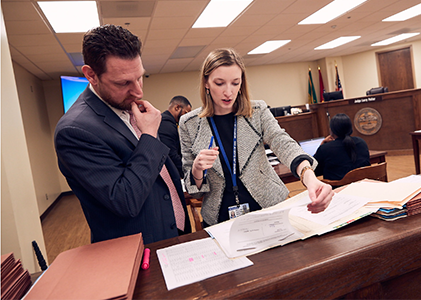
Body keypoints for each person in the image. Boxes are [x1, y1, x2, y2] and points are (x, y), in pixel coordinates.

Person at [54, 24, 191, 244]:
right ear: (91, 75)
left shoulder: (129, 108)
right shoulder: (74, 131)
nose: (138, 91)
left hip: (172, 231)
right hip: (137, 248)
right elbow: (125, 200)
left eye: (140, 77)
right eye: (123, 83)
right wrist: (149, 136)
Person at [178, 48, 333, 227]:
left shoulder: (257, 111)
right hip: (221, 221)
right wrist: (197, 170)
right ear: (206, 83)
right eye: (220, 83)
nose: (228, 92)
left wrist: (309, 177)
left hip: (269, 208)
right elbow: (195, 192)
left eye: (235, 83)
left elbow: (282, 142)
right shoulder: (188, 123)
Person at [314, 113, 370, 180]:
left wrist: (322, 145)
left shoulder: (325, 148)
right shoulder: (361, 142)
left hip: (339, 189)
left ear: (331, 130)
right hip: (363, 186)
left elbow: (313, 170)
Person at [158, 96, 192, 178]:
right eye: (185, 113)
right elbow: (170, 153)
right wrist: (186, 173)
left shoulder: (168, 123)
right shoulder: (166, 124)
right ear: (177, 107)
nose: (186, 117)